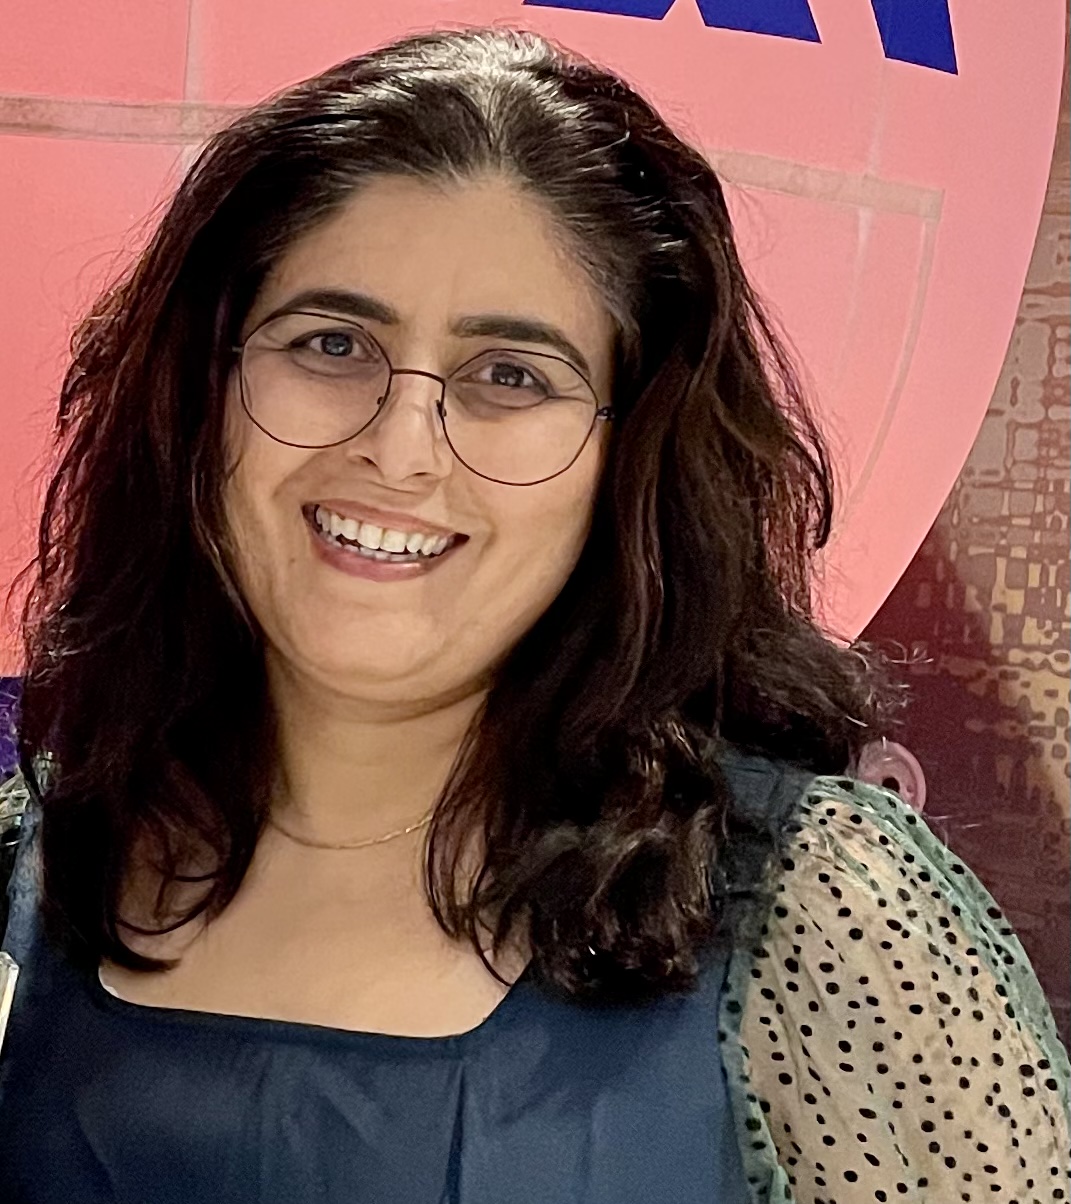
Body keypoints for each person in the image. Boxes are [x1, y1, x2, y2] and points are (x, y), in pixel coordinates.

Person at [0, 25, 1067, 1204]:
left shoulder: (825, 919)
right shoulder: (32, 857)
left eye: (511, 374)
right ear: (201, 393)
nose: (401, 447)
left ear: (634, 459)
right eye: (332, 344)